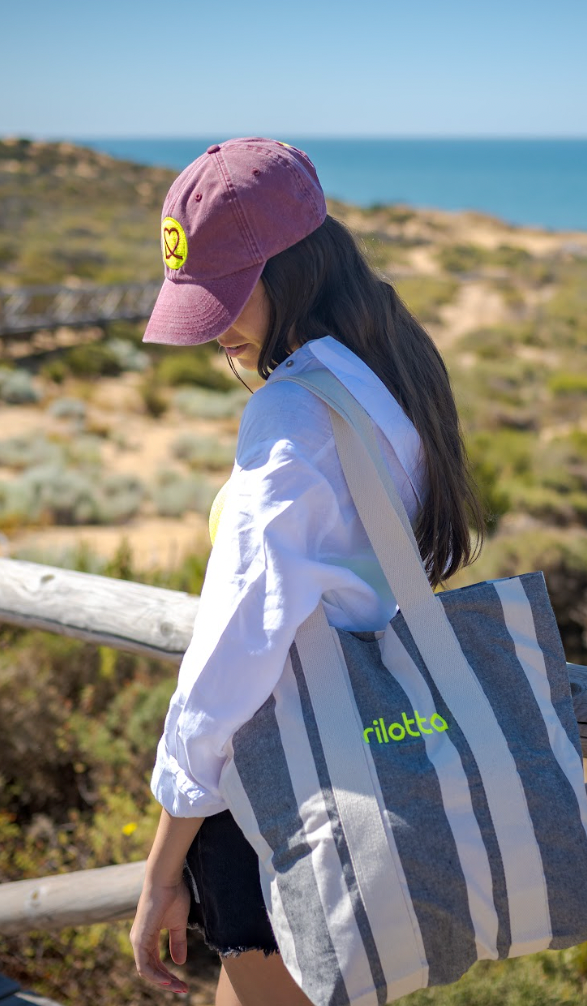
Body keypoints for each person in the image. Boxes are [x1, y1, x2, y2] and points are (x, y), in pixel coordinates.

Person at [128, 138, 484, 1005]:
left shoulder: (292, 412)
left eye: (224, 295)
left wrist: (162, 866)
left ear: (291, 269)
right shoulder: (388, 374)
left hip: (283, 795)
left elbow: (236, 652)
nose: (215, 326)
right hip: (372, 768)